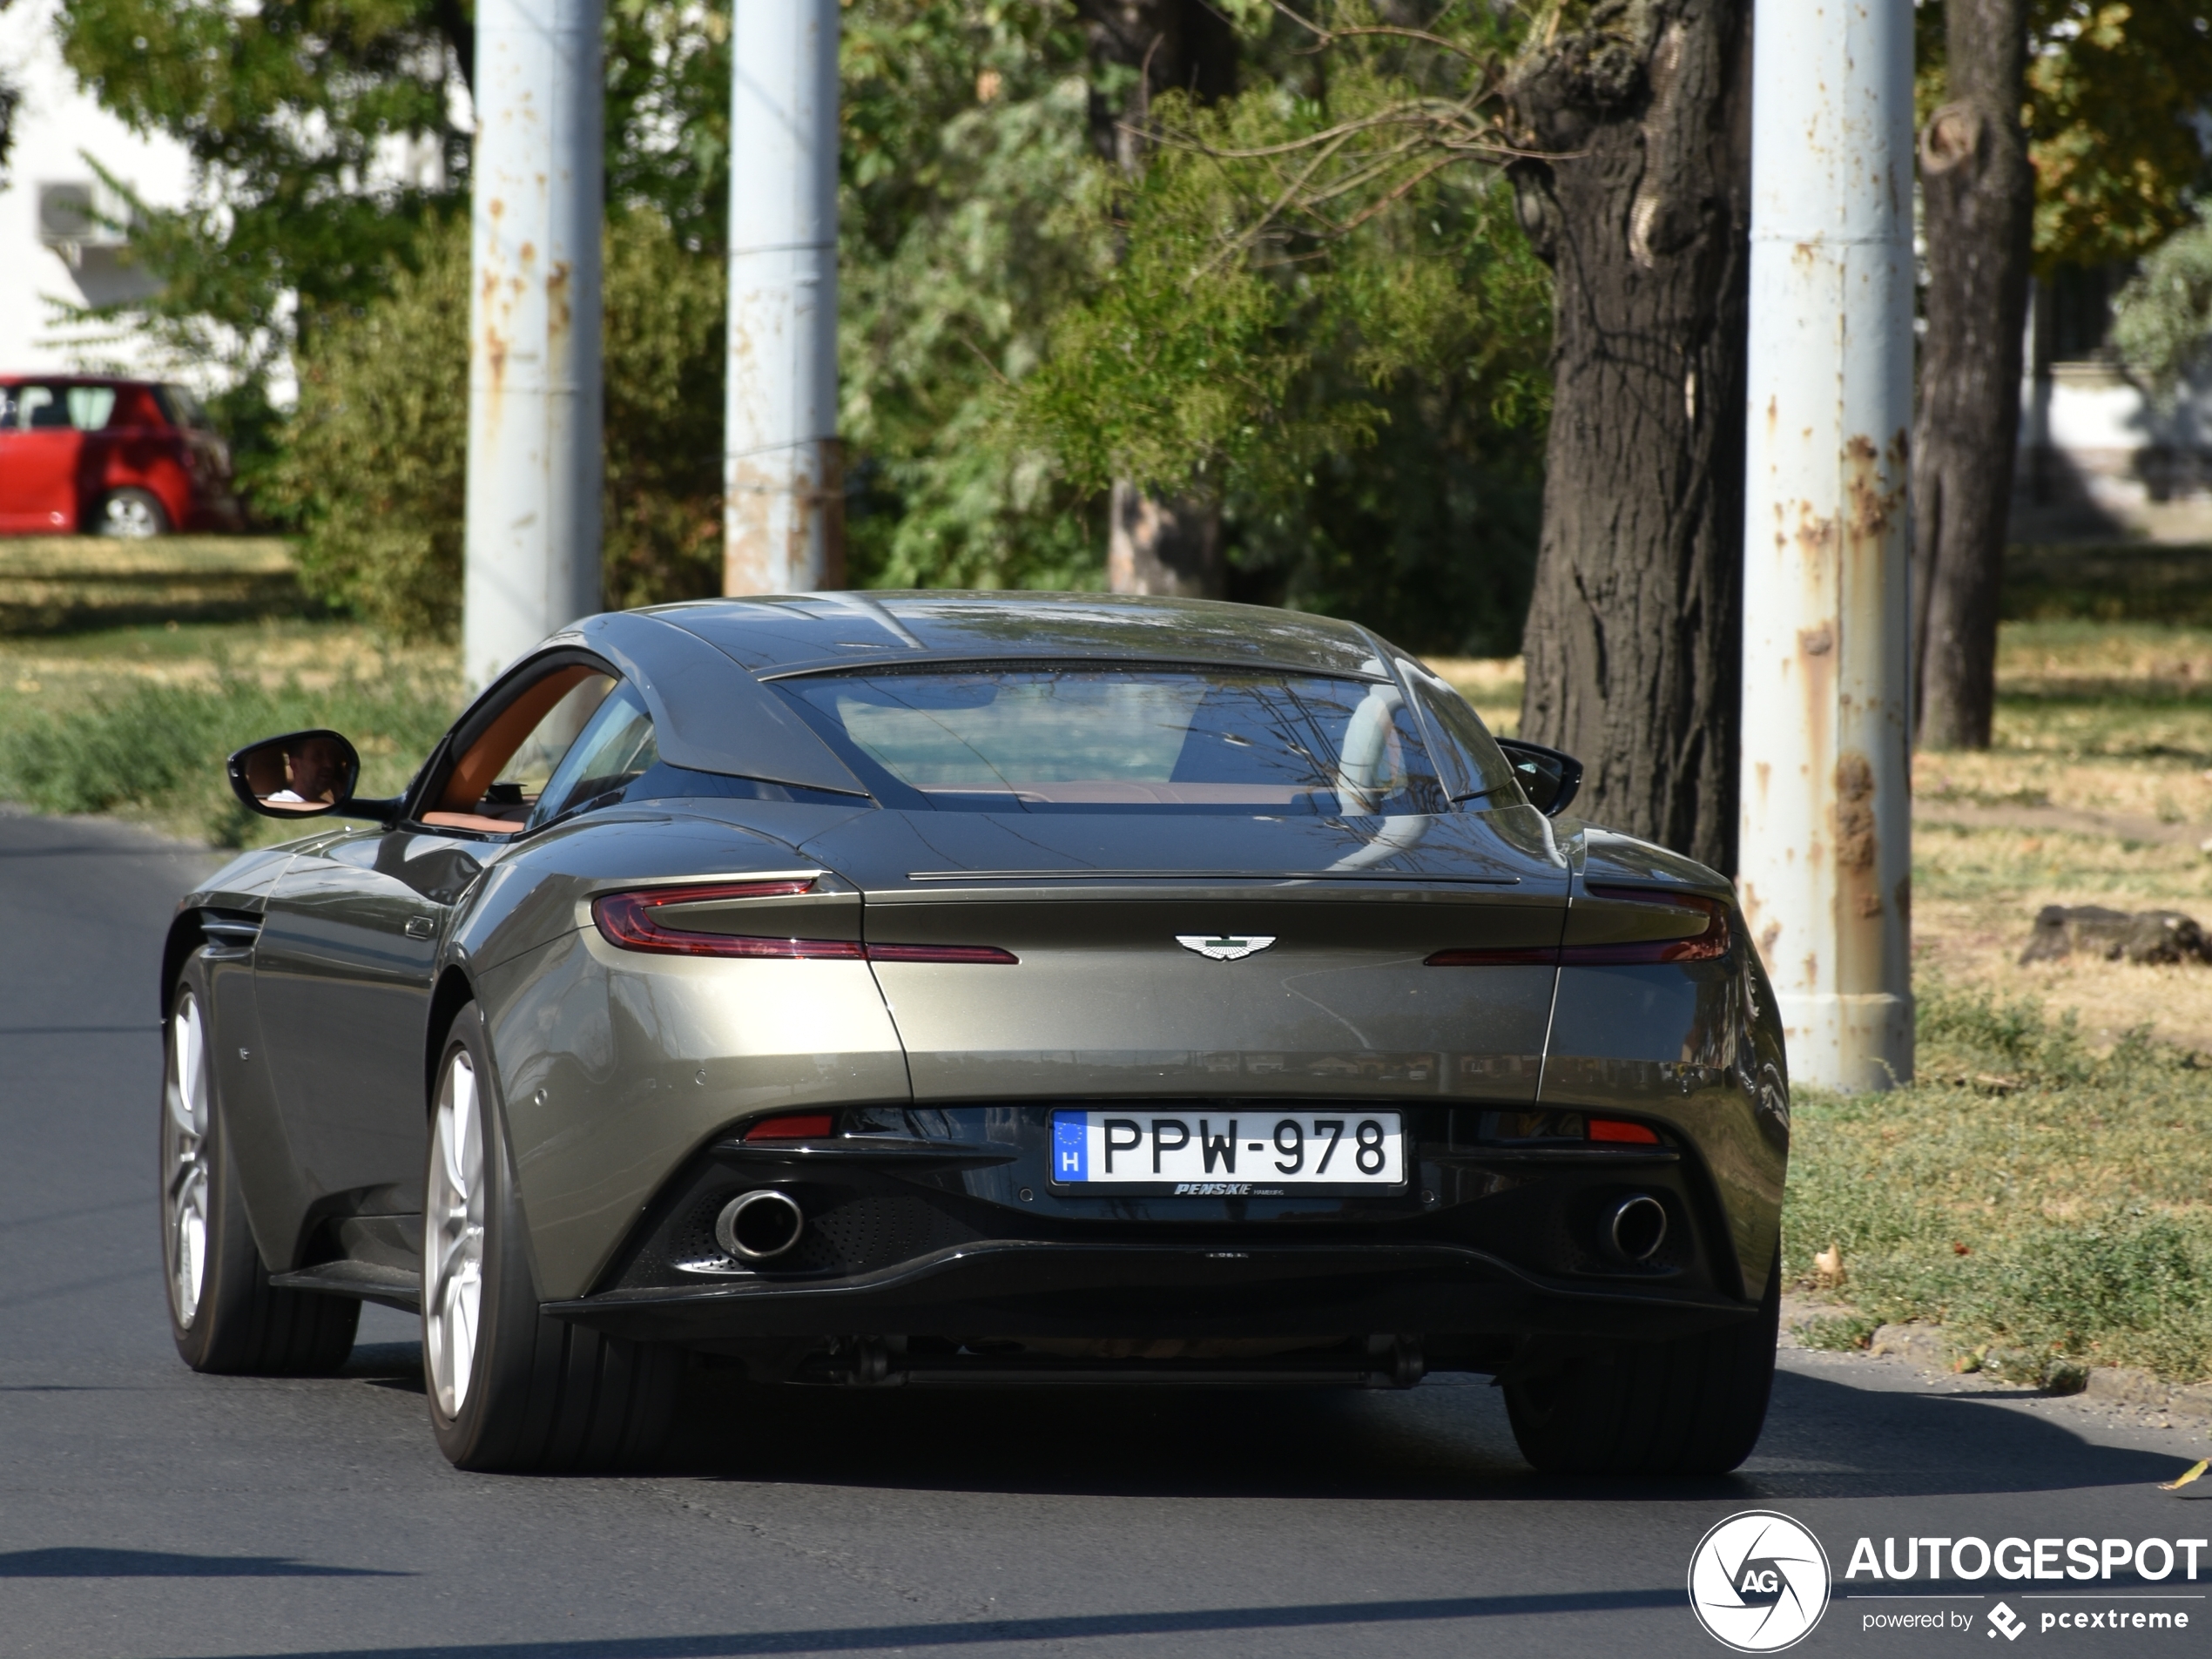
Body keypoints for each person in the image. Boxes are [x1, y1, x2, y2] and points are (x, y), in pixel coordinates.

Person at [263, 736, 347, 810]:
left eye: (331, 756)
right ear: (295, 765)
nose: (329, 764)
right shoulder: (279, 801)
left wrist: (339, 795)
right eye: (317, 757)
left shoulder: (325, 803)